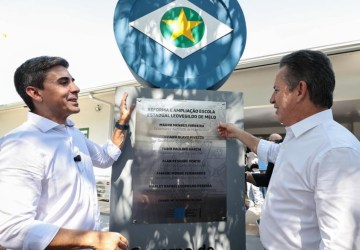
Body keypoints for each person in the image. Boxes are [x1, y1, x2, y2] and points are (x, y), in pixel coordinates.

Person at [217, 50, 360, 249]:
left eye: (276, 89)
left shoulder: (335, 151)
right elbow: (273, 152)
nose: (271, 99)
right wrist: (238, 133)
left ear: (300, 90)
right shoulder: (302, 139)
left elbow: (341, 244)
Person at [0, 56, 135, 250]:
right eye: (64, 82)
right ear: (35, 93)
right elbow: (10, 229)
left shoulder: (72, 132)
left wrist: (122, 122)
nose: (76, 88)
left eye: (72, 80)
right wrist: (93, 239)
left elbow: (105, 157)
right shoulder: (18, 145)